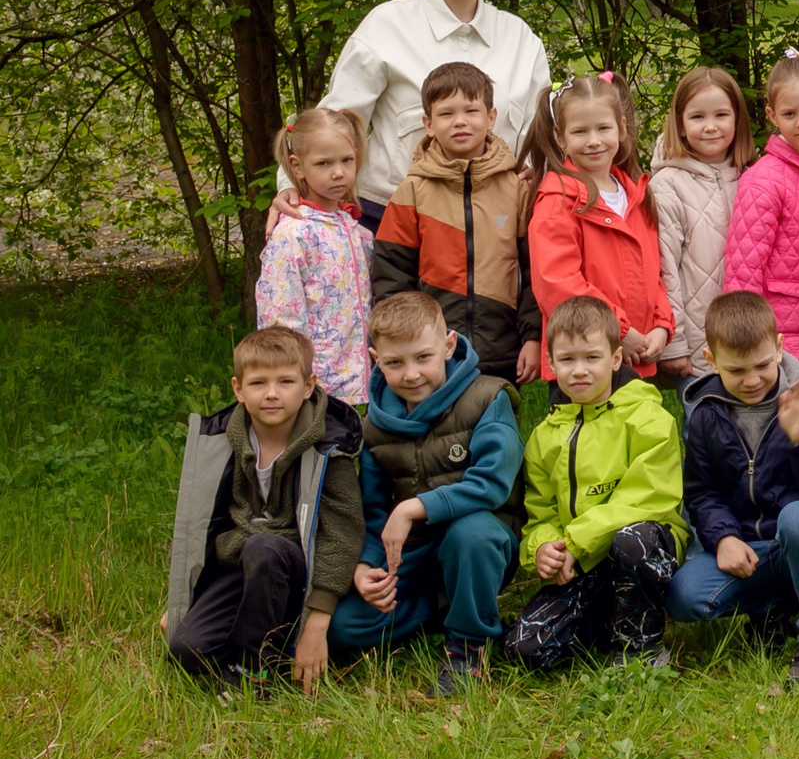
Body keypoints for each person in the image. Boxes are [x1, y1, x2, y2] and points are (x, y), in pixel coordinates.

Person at [327, 293, 524, 697]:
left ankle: (469, 645)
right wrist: (365, 566)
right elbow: (373, 508)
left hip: (479, 543)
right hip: (413, 558)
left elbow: (492, 483)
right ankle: (440, 608)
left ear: (448, 345)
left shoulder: (489, 398)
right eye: (395, 363)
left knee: (471, 534)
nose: (411, 374)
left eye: (423, 357)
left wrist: (415, 507)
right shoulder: (373, 427)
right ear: (375, 359)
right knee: (344, 625)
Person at [667, 291, 799, 688]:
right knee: (683, 597)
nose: (752, 380)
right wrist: (722, 538)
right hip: (753, 549)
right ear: (711, 360)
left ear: (778, 347)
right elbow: (703, 493)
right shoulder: (705, 413)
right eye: (737, 371)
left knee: (798, 517)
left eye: (761, 365)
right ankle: (776, 604)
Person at [322, 0, 552, 223]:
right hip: (393, 222)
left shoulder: (520, 39)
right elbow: (337, 124)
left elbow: (540, 134)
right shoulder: (387, 27)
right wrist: (293, 185)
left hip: (494, 227)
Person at [165, 328, 363, 693]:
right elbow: (200, 526)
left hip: (296, 570)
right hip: (240, 566)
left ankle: (254, 669)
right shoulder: (219, 441)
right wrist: (182, 601)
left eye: (286, 381)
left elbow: (343, 534)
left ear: (308, 385)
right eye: (258, 383)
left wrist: (317, 623)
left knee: (265, 547)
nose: (272, 394)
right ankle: (259, 636)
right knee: (185, 650)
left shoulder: (328, 447)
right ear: (238, 389)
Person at [503, 297, 686, 672]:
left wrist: (575, 541)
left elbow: (647, 498)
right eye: (568, 360)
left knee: (632, 540)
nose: (579, 371)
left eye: (592, 357)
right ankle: (606, 620)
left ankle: (640, 649)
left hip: (643, 544)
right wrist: (544, 548)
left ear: (616, 359)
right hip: (581, 559)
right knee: (526, 650)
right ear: (551, 364)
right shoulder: (543, 437)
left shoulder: (649, 417)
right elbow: (540, 513)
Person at [370, 60, 541, 384]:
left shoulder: (516, 190)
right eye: (447, 114)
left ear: (491, 118)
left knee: (496, 431)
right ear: (429, 124)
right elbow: (391, 274)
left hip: (501, 352)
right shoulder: (412, 191)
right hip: (431, 356)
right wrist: (406, 343)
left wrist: (533, 337)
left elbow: (535, 271)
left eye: (471, 111)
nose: (459, 122)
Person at [526, 73, 672, 380]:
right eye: (580, 131)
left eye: (603, 128)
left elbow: (652, 271)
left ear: (621, 128)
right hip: (584, 362)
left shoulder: (634, 194)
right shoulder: (558, 200)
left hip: (636, 355)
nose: (593, 141)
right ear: (561, 137)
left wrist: (661, 325)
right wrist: (618, 331)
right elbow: (558, 283)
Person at [726, 50, 799, 372]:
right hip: (779, 338)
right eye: (789, 114)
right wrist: (747, 336)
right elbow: (744, 266)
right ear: (772, 115)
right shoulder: (763, 180)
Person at [255, 106, 375, 404]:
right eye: (323, 163)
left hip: (361, 383)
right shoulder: (293, 234)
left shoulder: (357, 231)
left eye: (347, 160)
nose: (339, 172)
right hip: (314, 388)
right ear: (297, 167)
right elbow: (280, 318)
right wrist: (292, 380)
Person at [652, 65, 754, 376]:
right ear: (680, 124)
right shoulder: (667, 186)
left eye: (721, 115)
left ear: (737, 119)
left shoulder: (754, 178)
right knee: (703, 424)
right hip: (698, 345)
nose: (710, 126)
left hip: (750, 339)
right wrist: (674, 343)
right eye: (698, 117)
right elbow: (664, 268)